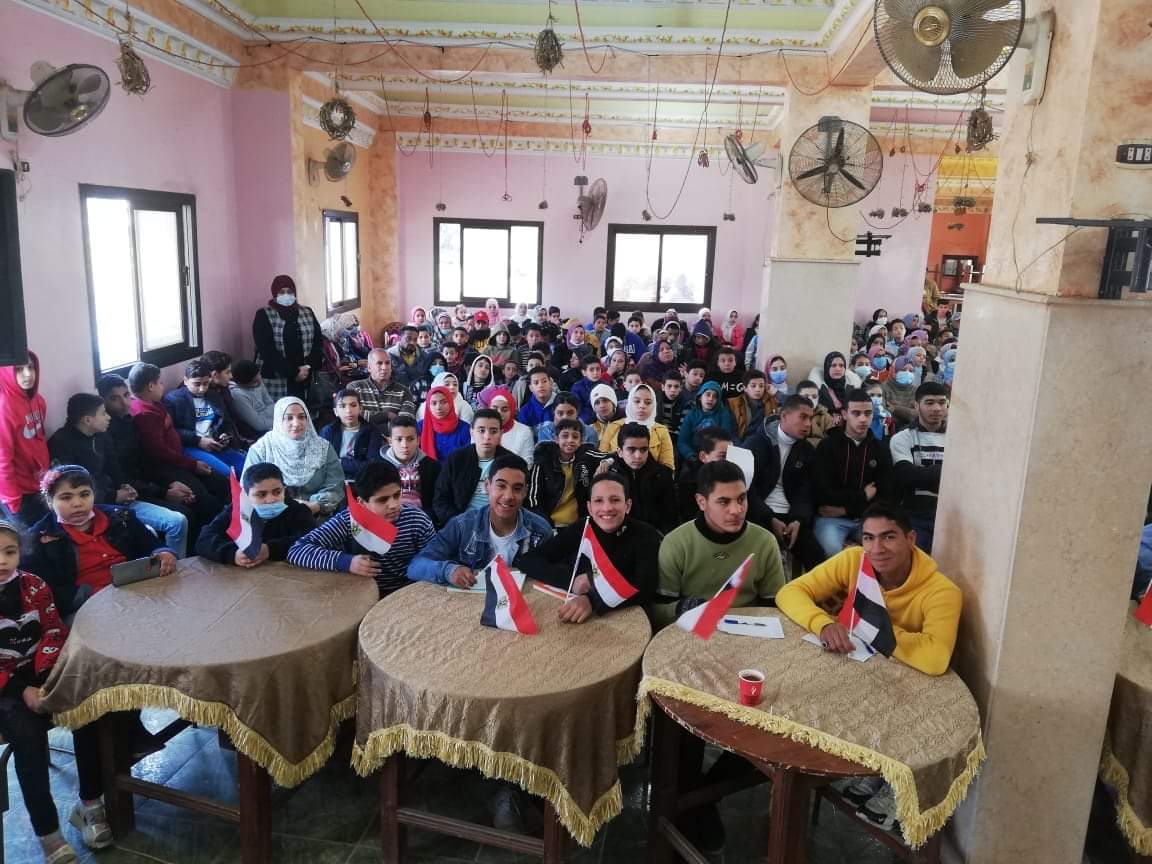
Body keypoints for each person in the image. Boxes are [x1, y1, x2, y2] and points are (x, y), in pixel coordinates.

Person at [0, 519, 107, 862]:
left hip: (39, 672)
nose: (2, 561)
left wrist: (45, 678)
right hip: (5, 687)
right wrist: (22, 689)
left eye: (10, 552)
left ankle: (90, 804)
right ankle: (48, 832)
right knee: (27, 735)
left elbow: (53, 630)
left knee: (85, 710)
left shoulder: (33, 585)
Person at [777, 503, 962, 677]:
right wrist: (823, 624)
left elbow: (935, 658)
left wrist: (866, 626)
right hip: (847, 666)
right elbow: (790, 592)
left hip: (901, 680)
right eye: (868, 538)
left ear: (910, 539)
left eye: (888, 537)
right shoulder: (854, 559)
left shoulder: (943, 591)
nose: (877, 549)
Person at [23, 465, 177, 621]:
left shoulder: (120, 517)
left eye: (84, 494)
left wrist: (163, 553)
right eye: (66, 497)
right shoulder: (39, 539)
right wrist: (92, 595)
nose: (77, 503)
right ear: (50, 501)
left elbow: (151, 544)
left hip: (135, 589)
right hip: (85, 606)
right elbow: (46, 591)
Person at [49, 393, 190, 558]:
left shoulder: (100, 435)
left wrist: (125, 486)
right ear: (88, 420)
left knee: (178, 521)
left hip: (118, 498)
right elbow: (72, 489)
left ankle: (175, 567)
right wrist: (114, 496)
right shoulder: (61, 444)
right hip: (93, 506)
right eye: (103, 413)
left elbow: (114, 469)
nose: (108, 417)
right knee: (147, 533)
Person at [656, 458, 786, 623]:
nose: (736, 510)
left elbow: (775, 604)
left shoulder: (765, 542)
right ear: (701, 502)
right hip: (692, 627)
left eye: (741, 499)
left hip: (750, 627)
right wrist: (681, 607)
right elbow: (658, 611)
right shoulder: (676, 544)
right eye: (724, 502)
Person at [521, 472, 660, 623]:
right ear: (590, 507)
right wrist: (571, 581)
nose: (607, 508)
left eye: (615, 500)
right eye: (599, 501)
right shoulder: (583, 527)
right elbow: (529, 560)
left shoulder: (646, 535)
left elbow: (644, 587)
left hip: (628, 617)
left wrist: (592, 600)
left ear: (627, 505)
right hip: (579, 615)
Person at [287, 462, 435, 597]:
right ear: (362, 502)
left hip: (408, 593)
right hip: (359, 595)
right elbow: (297, 550)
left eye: (397, 495)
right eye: (382, 500)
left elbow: (433, 561)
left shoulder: (417, 520)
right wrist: (347, 562)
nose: (394, 505)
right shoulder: (348, 521)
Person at [97, 374, 219, 532]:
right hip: (131, 489)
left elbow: (146, 460)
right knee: (187, 512)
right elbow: (121, 477)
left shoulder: (129, 421)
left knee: (203, 497)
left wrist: (170, 483)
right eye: (115, 399)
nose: (124, 403)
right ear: (103, 401)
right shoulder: (104, 433)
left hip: (150, 478)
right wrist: (164, 492)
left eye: (126, 395)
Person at [411, 454, 552, 588]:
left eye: (517, 488)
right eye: (501, 486)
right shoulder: (462, 525)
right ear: (487, 486)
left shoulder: (540, 530)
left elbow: (551, 574)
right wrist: (449, 571)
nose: (508, 496)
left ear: (525, 492)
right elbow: (416, 565)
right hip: (468, 602)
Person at [127, 362, 229, 503]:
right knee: (205, 498)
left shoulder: (154, 403)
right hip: (167, 466)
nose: (162, 387)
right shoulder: (144, 414)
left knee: (221, 482)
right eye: (160, 383)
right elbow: (159, 452)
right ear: (151, 386)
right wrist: (192, 464)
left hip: (179, 458)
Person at [812, 389, 894, 560]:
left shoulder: (881, 449)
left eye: (868, 413)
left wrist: (846, 509)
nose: (863, 419)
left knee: (887, 552)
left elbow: (885, 496)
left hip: (868, 518)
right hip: (830, 520)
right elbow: (822, 494)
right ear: (844, 414)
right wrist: (863, 496)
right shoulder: (828, 446)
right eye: (856, 413)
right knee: (832, 552)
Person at [743, 394, 822, 570]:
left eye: (810, 418)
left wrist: (798, 520)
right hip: (759, 514)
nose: (808, 424)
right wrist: (769, 518)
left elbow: (805, 491)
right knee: (758, 560)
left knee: (817, 557)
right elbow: (747, 490)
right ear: (784, 416)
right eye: (803, 417)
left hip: (792, 516)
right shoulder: (755, 444)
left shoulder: (807, 450)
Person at [195, 463, 314, 566]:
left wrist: (270, 549)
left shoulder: (298, 511)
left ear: (284, 489)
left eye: (277, 492)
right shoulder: (236, 510)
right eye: (261, 495)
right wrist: (232, 554)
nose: (271, 499)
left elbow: (311, 538)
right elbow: (204, 539)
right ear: (246, 495)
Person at [244, 397, 344, 517]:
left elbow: (335, 485)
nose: (296, 423)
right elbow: (248, 489)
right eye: (289, 418)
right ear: (279, 420)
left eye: (301, 417)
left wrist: (315, 505)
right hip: (272, 516)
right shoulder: (261, 449)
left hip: (317, 515)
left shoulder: (323, 448)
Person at [162, 359, 247, 477]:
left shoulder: (214, 396)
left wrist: (225, 434)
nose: (202, 389)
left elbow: (226, 421)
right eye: (197, 384)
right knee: (228, 474)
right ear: (186, 381)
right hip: (191, 446)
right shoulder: (173, 400)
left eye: (206, 383)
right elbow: (171, 431)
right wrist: (198, 440)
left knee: (247, 467)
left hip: (215, 444)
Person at [890, 382, 948, 553]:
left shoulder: (958, 436)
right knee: (916, 561)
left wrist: (924, 474)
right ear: (916, 405)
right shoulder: (902, 438)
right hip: (916, 515)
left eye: (942, 402)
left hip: (952, 514)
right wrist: (948, 471)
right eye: (929, 403)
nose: (937, 408)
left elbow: (967, 477)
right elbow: (907, 476)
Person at [432, 410, 512, 526]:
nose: (487, 437)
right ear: (472, 432)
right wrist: (460, 523)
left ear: (501, 433)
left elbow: (517, 501)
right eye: (481, 431)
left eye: (493, 431)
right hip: (461, 523)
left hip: (499, 523)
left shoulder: (511, 462)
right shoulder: (456, 459)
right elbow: (440, 500)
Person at [252, 275, 324, 401]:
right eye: (281, 292)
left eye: (289, 291)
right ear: (275, 293)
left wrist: (308, 367)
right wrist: (293, 372)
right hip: (277, 376)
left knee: (304, 408)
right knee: (281, 410)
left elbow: (318, 342)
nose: (286, 295)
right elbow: (267, 350)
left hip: (305, 375)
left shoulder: (307, 312)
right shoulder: (264, 315)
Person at [526, 419, 609, 528]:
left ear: (581, 441)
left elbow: (613, 456)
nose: (570, 440)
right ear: (556, 439)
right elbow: (533, 500)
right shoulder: (543, 460)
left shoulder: (586, 454)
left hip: (580, 523)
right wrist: (545, 526)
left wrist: (606, 462)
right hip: (550, 524)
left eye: (575, 437)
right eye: (565, 436)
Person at [0, 353, 49, 528]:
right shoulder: (4, 408)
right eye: (19, 369)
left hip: (40, 486)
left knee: (50, 535)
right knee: (29, 541)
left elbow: (39, 441)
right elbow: (2, 461)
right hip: (18, 495)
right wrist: (14, 503)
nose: (28, 374)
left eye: (31, 367)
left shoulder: (38, 400)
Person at [603, 423, 678, 535]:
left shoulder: (663, 475)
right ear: (620, 452)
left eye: (643, 449)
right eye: (631, 450)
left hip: (654, 537)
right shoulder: (609, 476)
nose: (638, 456)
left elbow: (670, 518)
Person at [599, 384, 675, 471]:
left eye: (648, 402)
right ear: (630, 402)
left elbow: (668, 466)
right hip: (616, 476)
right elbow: (601, 457)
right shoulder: (614, 426)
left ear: (654, 405)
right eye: (637, 401)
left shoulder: (661, 431)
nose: (642, 406)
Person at [381, 413, 440, 512]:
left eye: (410, 439)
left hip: (422, 517)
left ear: (418, 440)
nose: (405, 445)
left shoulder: (433, 467)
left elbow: (438, 501)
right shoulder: (378, 467)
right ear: (390, 441)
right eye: (399, 439)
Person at [319, 389, 383, 478]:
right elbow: (322, 463)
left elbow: (372, 465)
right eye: (342, 406)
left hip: (362, 479)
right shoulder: (328, 431)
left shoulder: (372, 431)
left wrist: (339, 462)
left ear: (360, 408)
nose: (348, 410)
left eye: (353, 405)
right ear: (336, 411)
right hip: (333, 479)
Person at [349, 350, 417, 430]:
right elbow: (352, 415)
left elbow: (405, 423)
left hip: (392, 438)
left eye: (387, 363)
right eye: (379, 363)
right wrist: (388, 415)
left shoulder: (404, 391)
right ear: (369, 367)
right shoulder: (355, 387)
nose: (384, 367)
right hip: (362, 437)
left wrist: (370, 419)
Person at [676, 381, 734, 462]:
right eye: (708, 394)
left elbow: (725, 439)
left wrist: (712, 457)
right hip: (693, 456)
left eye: (715, 396)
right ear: (700, 396)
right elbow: (682, 441)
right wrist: (690, 456)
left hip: (715, 456)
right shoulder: (691, 415)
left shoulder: (724, 414)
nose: (711, 399)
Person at [478, 387, 534, 464]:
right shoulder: (480, 430)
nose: (499, 413)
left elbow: (527, 463)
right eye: (495, 409)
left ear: (512, 410)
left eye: (504, 410)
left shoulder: (524, 431)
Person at [417, 385, 472, 462]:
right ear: (428, 406)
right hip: (428, 468)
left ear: (450, 402)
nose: (438, 407)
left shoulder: (465, 428)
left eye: (443, 402)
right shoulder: (421, 427)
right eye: (434, 403)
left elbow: (468, 457)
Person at [228, 359, 276, 435]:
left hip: (270, 424)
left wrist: (260, 414)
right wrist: (279, 422)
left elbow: (271, 404)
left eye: (259, 375)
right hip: (255, 433)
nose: (259, 382)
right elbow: (259, 425)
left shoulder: (257, 381)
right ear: (241, 383)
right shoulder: (237, 395)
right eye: (254, 382)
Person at [731, 369, 778, 440]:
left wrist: (776, 393)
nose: (758, 390)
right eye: (753, 386)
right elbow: (732, 432)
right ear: (745, 388)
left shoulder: (772, 401)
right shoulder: (735, 404)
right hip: (743, 442)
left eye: (761, 386)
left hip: (766, 441)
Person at [388, 325, 431, 396]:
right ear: (399, 338)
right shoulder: (389, 355)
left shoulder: (424, 356)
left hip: (419, 395)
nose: (412, 342)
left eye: (415, 339)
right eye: (408, 339)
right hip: (397, 394)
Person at [795, 379, 835, 445]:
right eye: (806, 396)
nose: (810, 399)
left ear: (818, 398)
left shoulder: (826, 418)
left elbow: (832, 442)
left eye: (814, 396)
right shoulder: (791, 416)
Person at [816, 351, 849, 428]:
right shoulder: (821, 389)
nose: (838, 369)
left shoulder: (850, 387)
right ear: (827, 368)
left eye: (841, 365)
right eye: (833, 365)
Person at [882, 358, 919, 426]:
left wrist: (895, 409)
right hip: (890, 427)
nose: (908, 373)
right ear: (894, 371)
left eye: (911, 371)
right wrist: (908, 412)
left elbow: (918, 414)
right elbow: (883, 412)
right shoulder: (884, 387)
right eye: (903, 370)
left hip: (910, 428)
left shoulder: (916, 390)